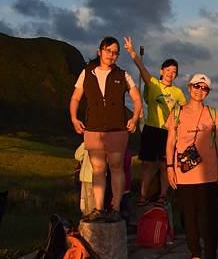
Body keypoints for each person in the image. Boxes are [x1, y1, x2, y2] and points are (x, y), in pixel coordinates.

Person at [69, 36, 142, 223]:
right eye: (108, 50)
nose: (112, 55)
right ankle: (99, 209)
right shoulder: (87, 72)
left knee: (116, 167)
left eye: (115, 52)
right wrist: (74, 118)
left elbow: (137, 99)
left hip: (117, 128)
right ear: (100, 51)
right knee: (98, 169)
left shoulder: (122, 75)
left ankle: (116, 208)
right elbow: (76, 97)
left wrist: (134, 118)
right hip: (92, 128)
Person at [166, 73, 218, 259]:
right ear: (189, 88)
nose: (200, 91)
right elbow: (170, 142)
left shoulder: (213, 113)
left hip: (208, 174)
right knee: (188, 217)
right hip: (183, 174)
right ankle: (195, 254)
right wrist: (169, 168)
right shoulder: (176, 113)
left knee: (209, 217)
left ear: (207, 92)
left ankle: (211, 258)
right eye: (196, 87)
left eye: (204, 88)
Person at [123, 37, 187, 207]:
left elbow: (186, 111)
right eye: (168, 70)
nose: (170, 74)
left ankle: (162, 196)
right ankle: (143, 196)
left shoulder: (178, 92)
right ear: (161, 70)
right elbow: (141, 68)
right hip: (151, 130)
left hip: (168, 132)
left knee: (166, 166)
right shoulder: (152, 84)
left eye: (174, 72)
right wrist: (131, 51)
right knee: (148, 166)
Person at [74, 142, 94, 215]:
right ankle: (85, 216)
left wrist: (85, 144)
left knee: (90, 203)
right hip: (84, 178)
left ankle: (91, 219)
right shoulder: (87, 144)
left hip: (91, 178)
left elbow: (77, 156)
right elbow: (77, 156)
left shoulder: (96, 144)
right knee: (83, 203)